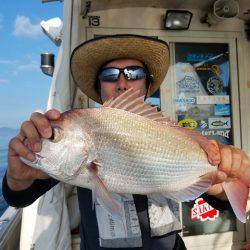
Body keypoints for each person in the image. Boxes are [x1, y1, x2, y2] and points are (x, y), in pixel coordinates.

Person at [3, 34, 250, 250]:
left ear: (148, 84)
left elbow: (213, 196)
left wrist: (221, 187)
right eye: (110, 75)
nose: (122, 83)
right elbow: (20, 198)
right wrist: (17, 179)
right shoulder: (80, 127)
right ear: (98, 86)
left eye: (134, 73)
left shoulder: (173, 134)